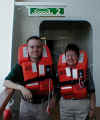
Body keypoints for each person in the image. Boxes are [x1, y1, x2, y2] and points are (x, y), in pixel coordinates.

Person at [3, 36, 56, 120]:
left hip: (44, 105)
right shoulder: (19, 67)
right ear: (27, 49)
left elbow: (55, 83)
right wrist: (21, 88)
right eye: (32, 47)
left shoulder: (49, 65)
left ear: (42, 48)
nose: (35, 49)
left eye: (38, 47)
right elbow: (6, 82)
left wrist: (53, 100)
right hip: (26, 106)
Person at [57, 43, 96, 120]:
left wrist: (92, 108)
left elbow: (92, 91)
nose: (70, 58)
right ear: (65, 57)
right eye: (68, 55)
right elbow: (56, 89)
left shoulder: (86, 71)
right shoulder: (60, 72)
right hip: (65, 105)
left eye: (73, 55)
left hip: (82, 104)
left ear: (78, 57)